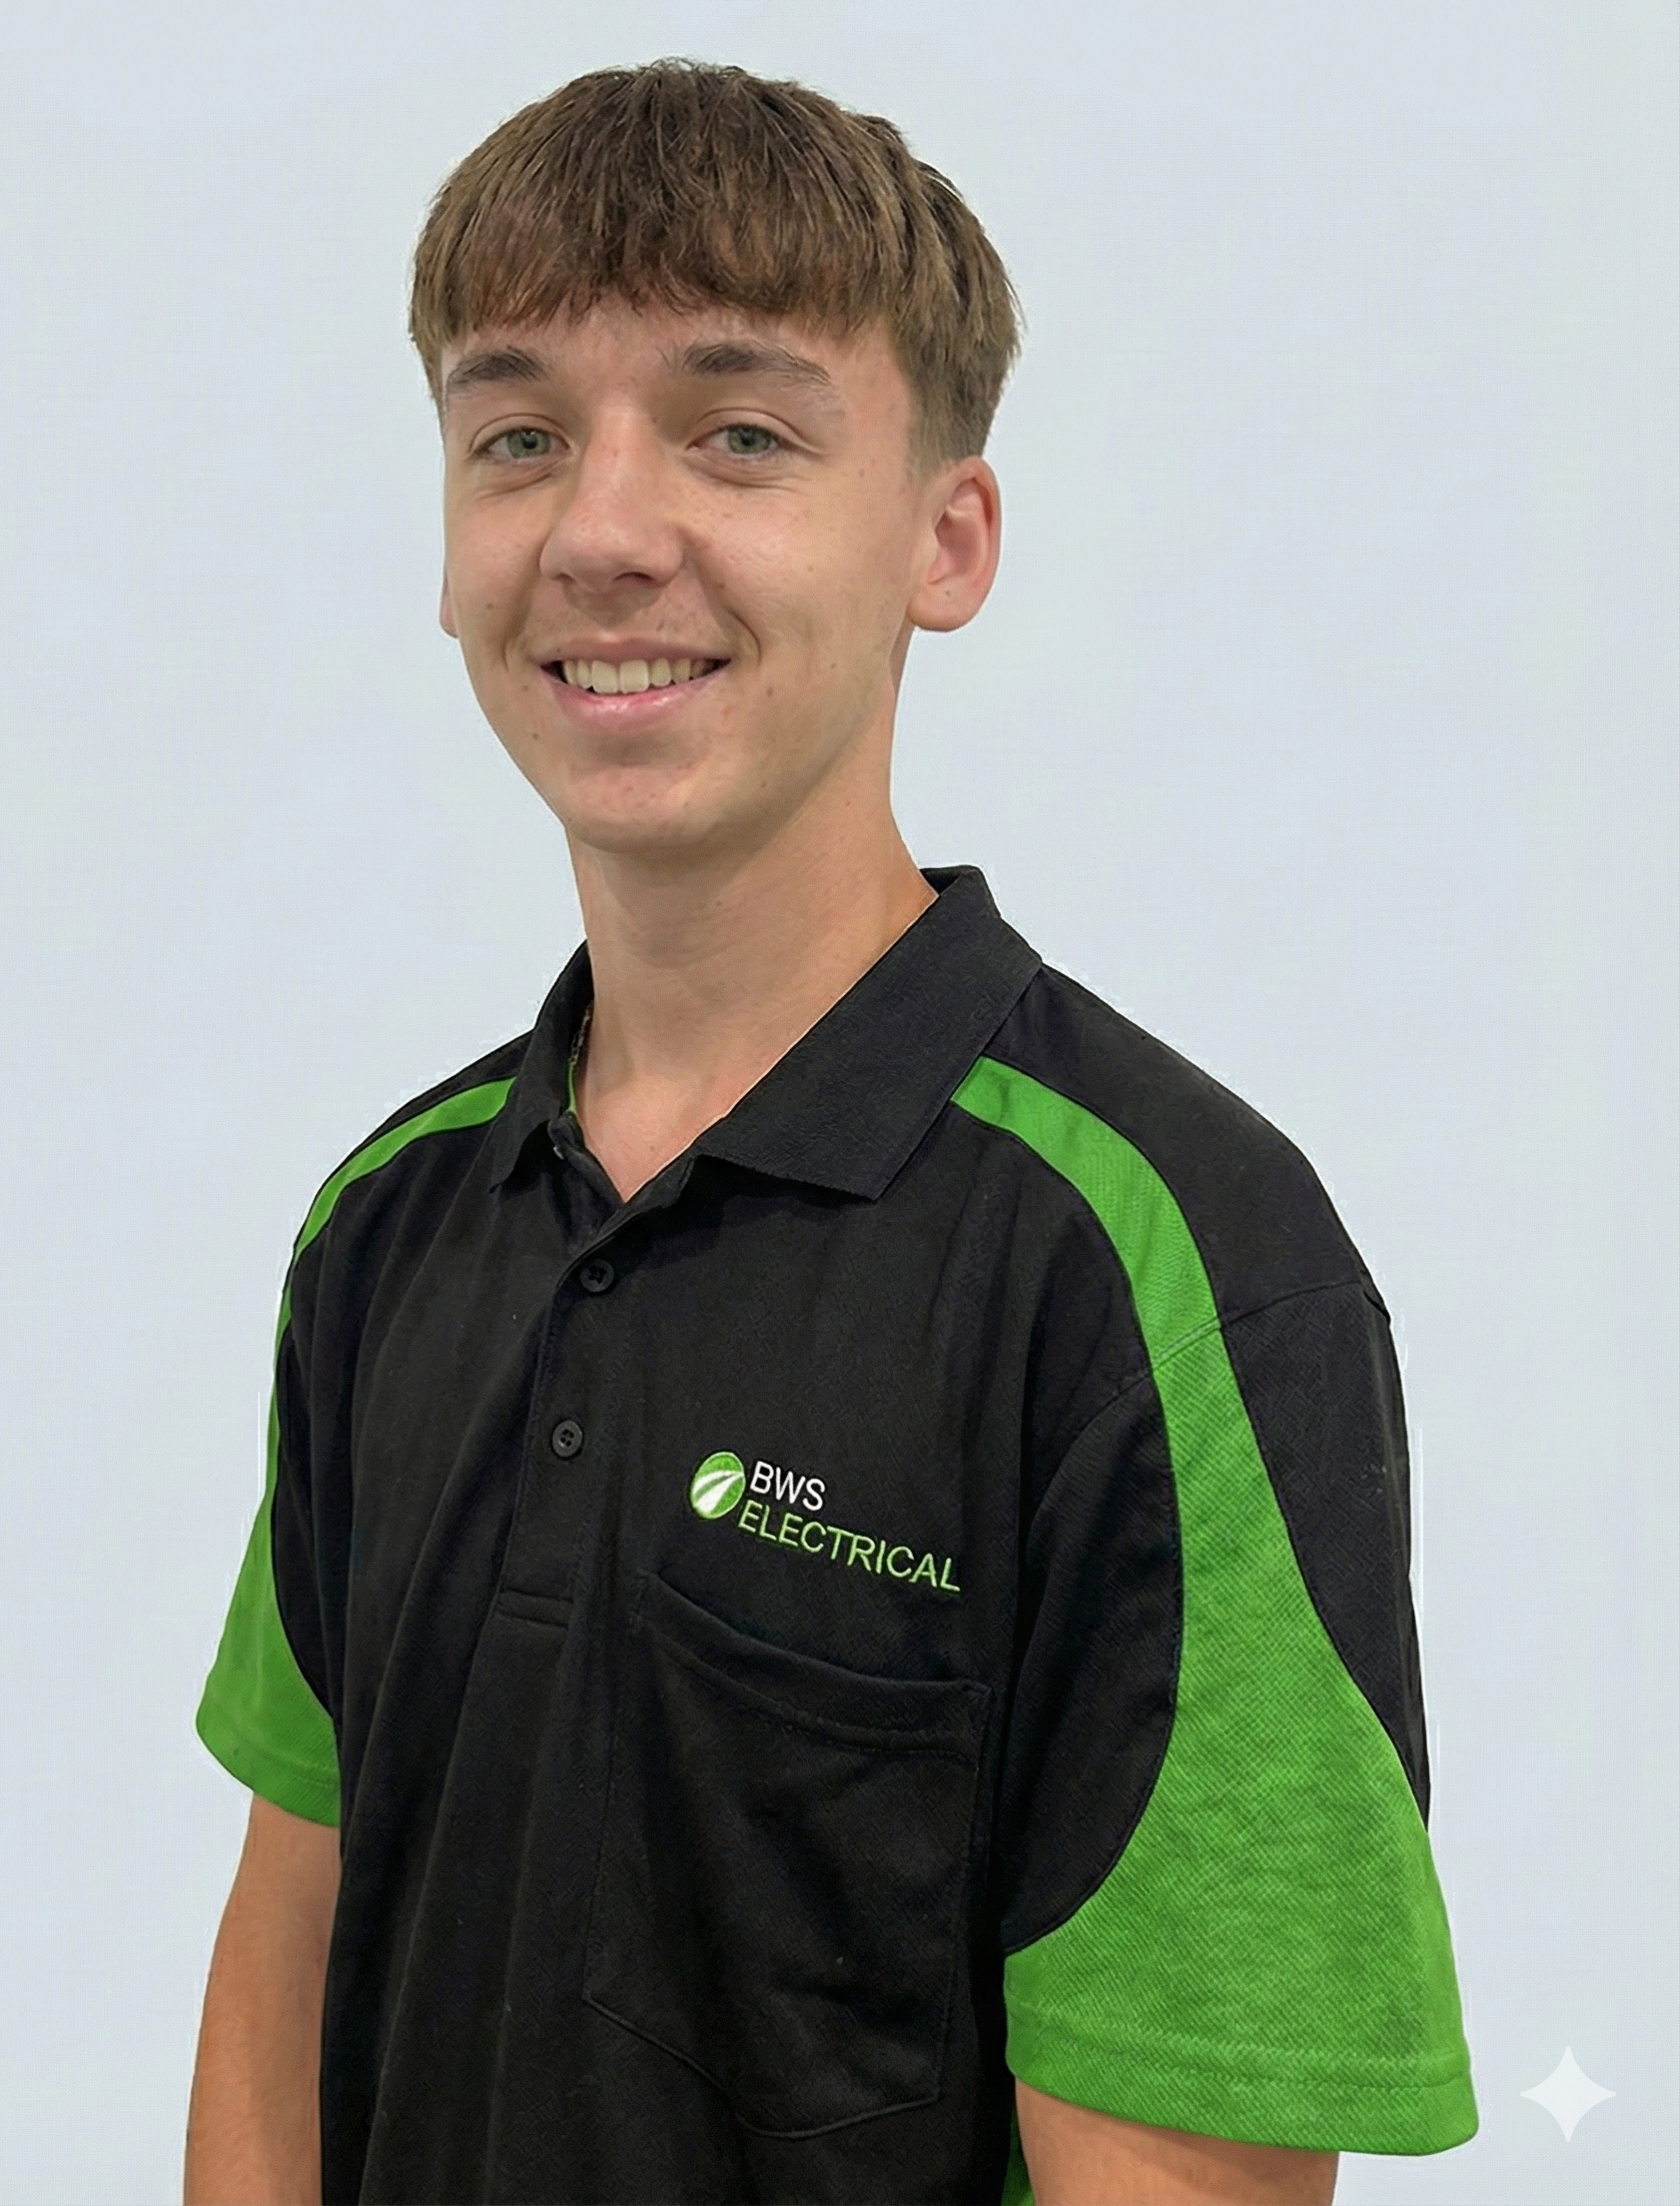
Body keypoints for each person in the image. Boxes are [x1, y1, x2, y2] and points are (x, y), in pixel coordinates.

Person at [183, 60, 1477, 2206]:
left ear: (944, 540)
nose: (602, 530)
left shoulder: (1165, 1267)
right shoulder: (389, 1224)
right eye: (517, 437)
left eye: (741, 433)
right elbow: (279, 1990)